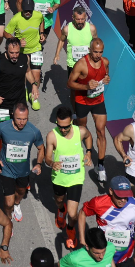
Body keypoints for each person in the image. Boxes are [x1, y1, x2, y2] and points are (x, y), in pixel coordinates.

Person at [45, 106, 94, 249]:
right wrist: (52, 163)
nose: (63, 130)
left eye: (66, 127)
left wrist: (89, 152)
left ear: (71, 122)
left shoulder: (80, 131)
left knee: (73, 214)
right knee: (59, 201)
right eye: (60, 126)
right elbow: (47, 158)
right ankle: (61, 210)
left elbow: (89, 136)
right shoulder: (52, 136)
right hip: (59, 178)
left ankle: (70, 230)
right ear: (56, 122)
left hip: (76, 178)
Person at [0, 101, 45, 223]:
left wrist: (39, 163)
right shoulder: (3, 127)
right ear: (12, 115)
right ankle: (8, 218)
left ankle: (17, 204)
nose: (22, 122)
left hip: (23, 171)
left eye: (25, 119)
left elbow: (41, 148)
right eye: (18, 119)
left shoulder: (33, 131)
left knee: (21, 191)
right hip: (7, 170)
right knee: (8, 203)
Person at [67, 39, 110, 184]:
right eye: (95, 52)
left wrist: (106, 79)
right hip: (82, 101)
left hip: (98, 101)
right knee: (82, 130)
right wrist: (86, 86)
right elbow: (69, 83)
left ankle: (101, 166)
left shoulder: (105, 62)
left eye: (100, 52)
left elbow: (105, 75)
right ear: (90, 50)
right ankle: (82, 153)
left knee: (101, 132)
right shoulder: (82, 64)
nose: (98, 55)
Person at [80, 176, 135, 263]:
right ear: (111, 191)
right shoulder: (98, 203)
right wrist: (82, 238)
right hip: (104, 252)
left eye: (126, 196)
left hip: (126, 252)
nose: (123, 200)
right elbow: (82, 213)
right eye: (119, 196)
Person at [0, 37, 35, 125]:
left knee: (20, 128)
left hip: (20, 101)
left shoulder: (25, 58)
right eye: (11, 53)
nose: (14, 55)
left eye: (17, 52)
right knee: (3, 132)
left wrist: (34, 84)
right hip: (3, 104)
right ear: (6, 49)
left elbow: (28, 72)